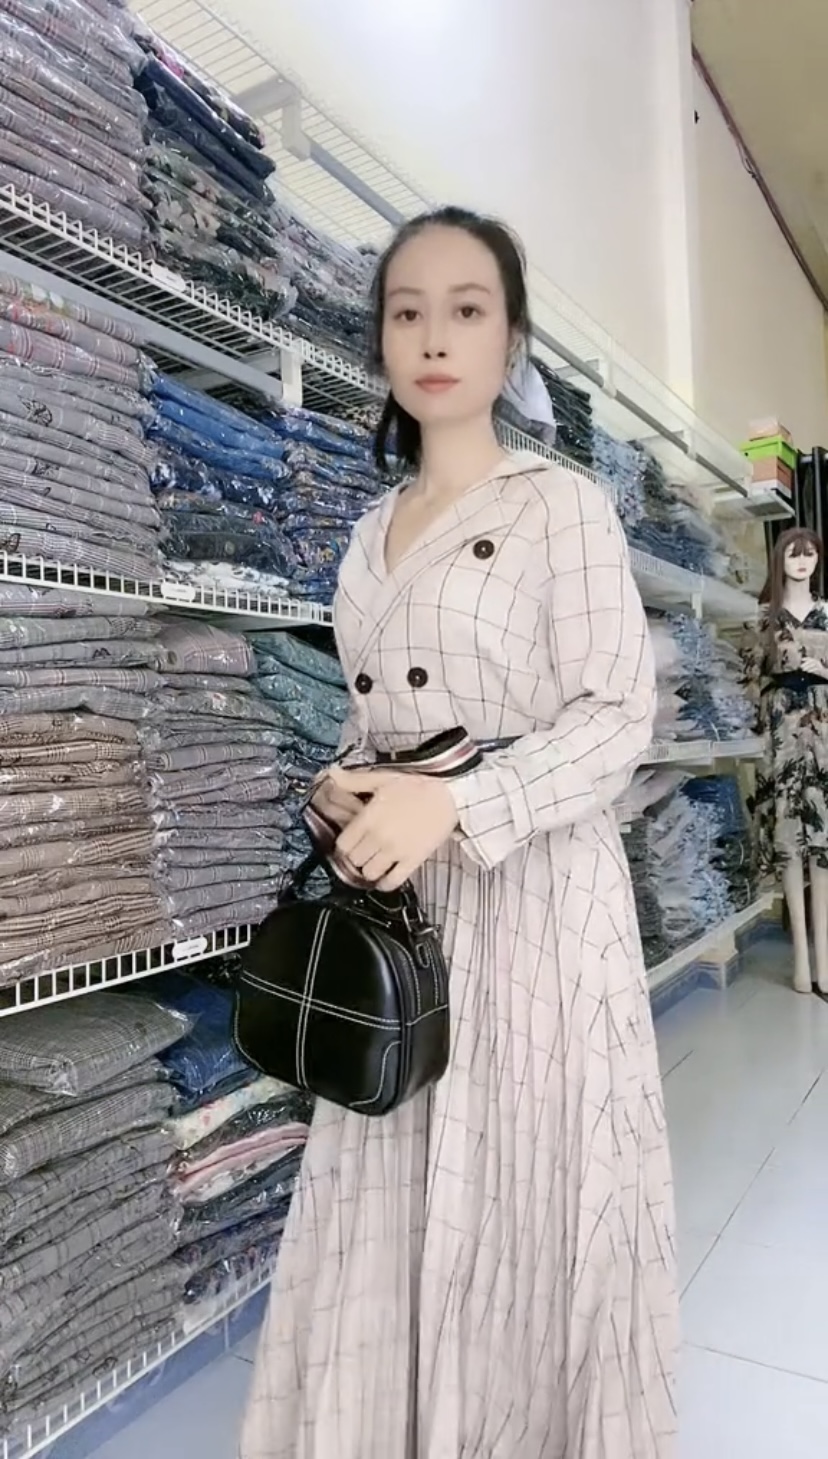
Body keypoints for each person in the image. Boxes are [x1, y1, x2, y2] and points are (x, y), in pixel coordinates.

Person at [239, 206, 678, 1458]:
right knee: (392, 1194)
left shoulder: (563, 507)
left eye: (467, 310)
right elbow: (370, 721)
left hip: (536, 914)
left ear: (510, 340)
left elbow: (618, 716)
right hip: (405, 922)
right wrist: (343, 789)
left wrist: (463, 802)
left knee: (531, 1208)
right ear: (381, 339)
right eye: (408, 311)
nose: (435, 337)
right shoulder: (364, 537)